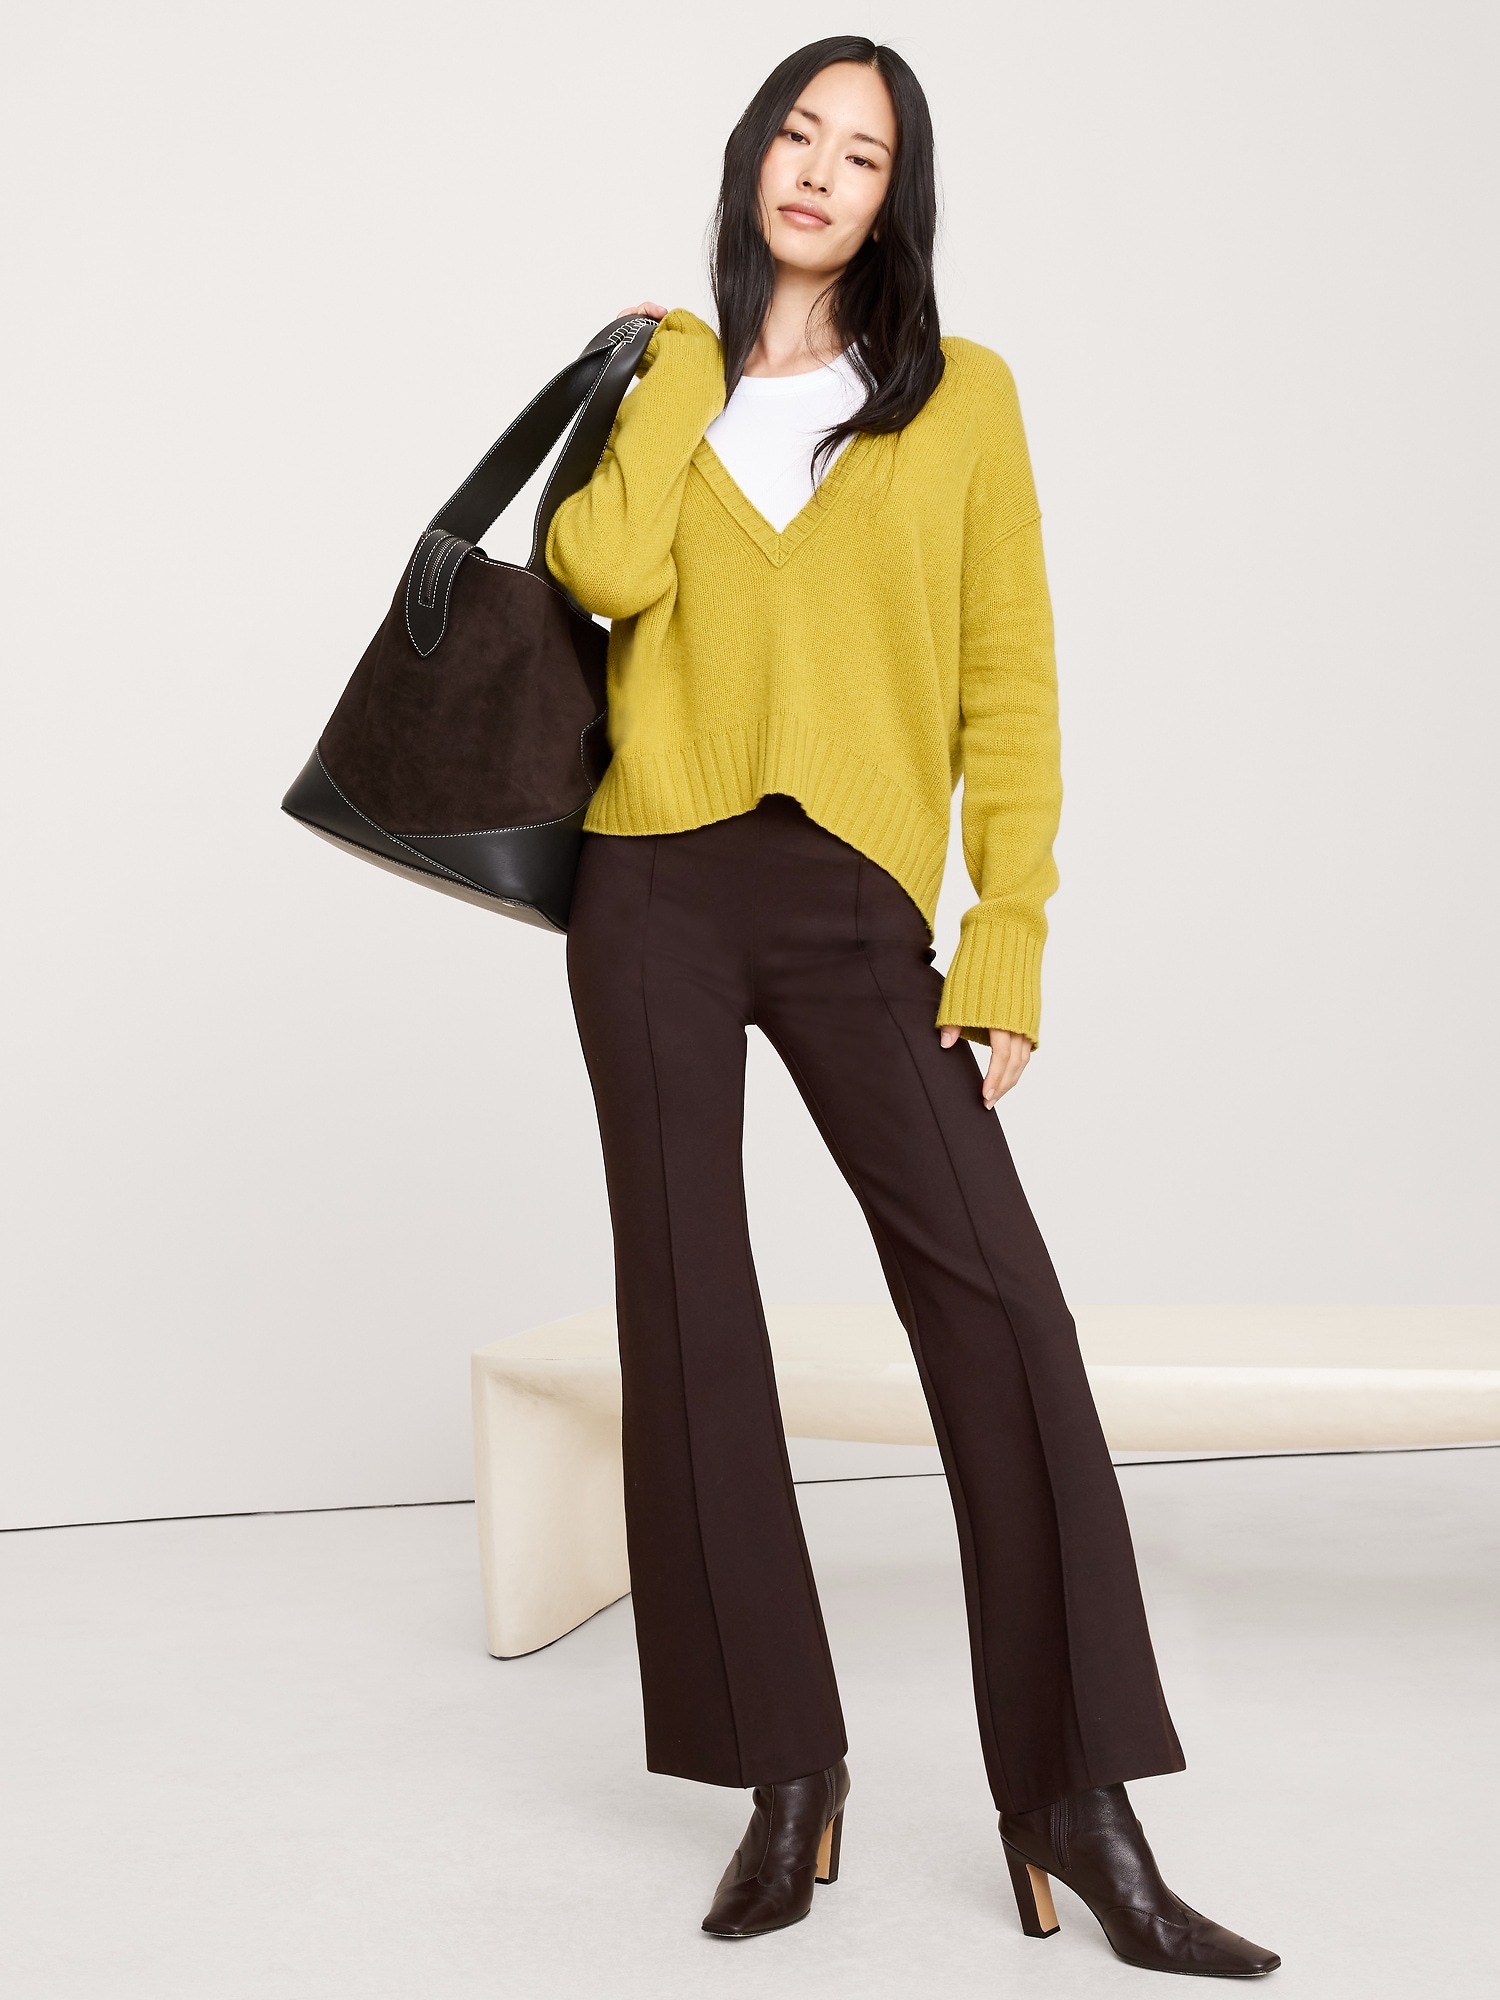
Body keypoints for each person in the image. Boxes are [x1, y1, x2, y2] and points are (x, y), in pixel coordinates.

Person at [547, 35, 1279, 1979]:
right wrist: (682, 374)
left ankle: (1076, 1804)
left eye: (861, 153)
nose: (819, 170)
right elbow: (598, 565)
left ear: (896, 198)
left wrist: (1007, 933)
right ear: (753, 156)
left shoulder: (964, 399)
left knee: (1003, 1315)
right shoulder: (671, 375)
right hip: (649, 889)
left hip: (855, 906)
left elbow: (1009, 685)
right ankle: (788, 1774)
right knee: (691, 1321)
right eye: (798, 133)